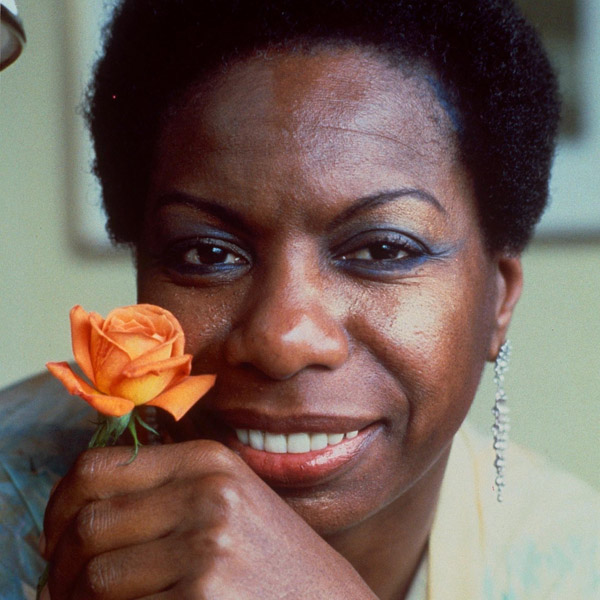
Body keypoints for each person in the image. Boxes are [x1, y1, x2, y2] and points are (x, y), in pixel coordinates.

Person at [1, 0, 598, 598]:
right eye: (207, 253)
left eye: (382, 250)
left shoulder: (574, 569)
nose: (282, 341)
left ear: (498, 301)